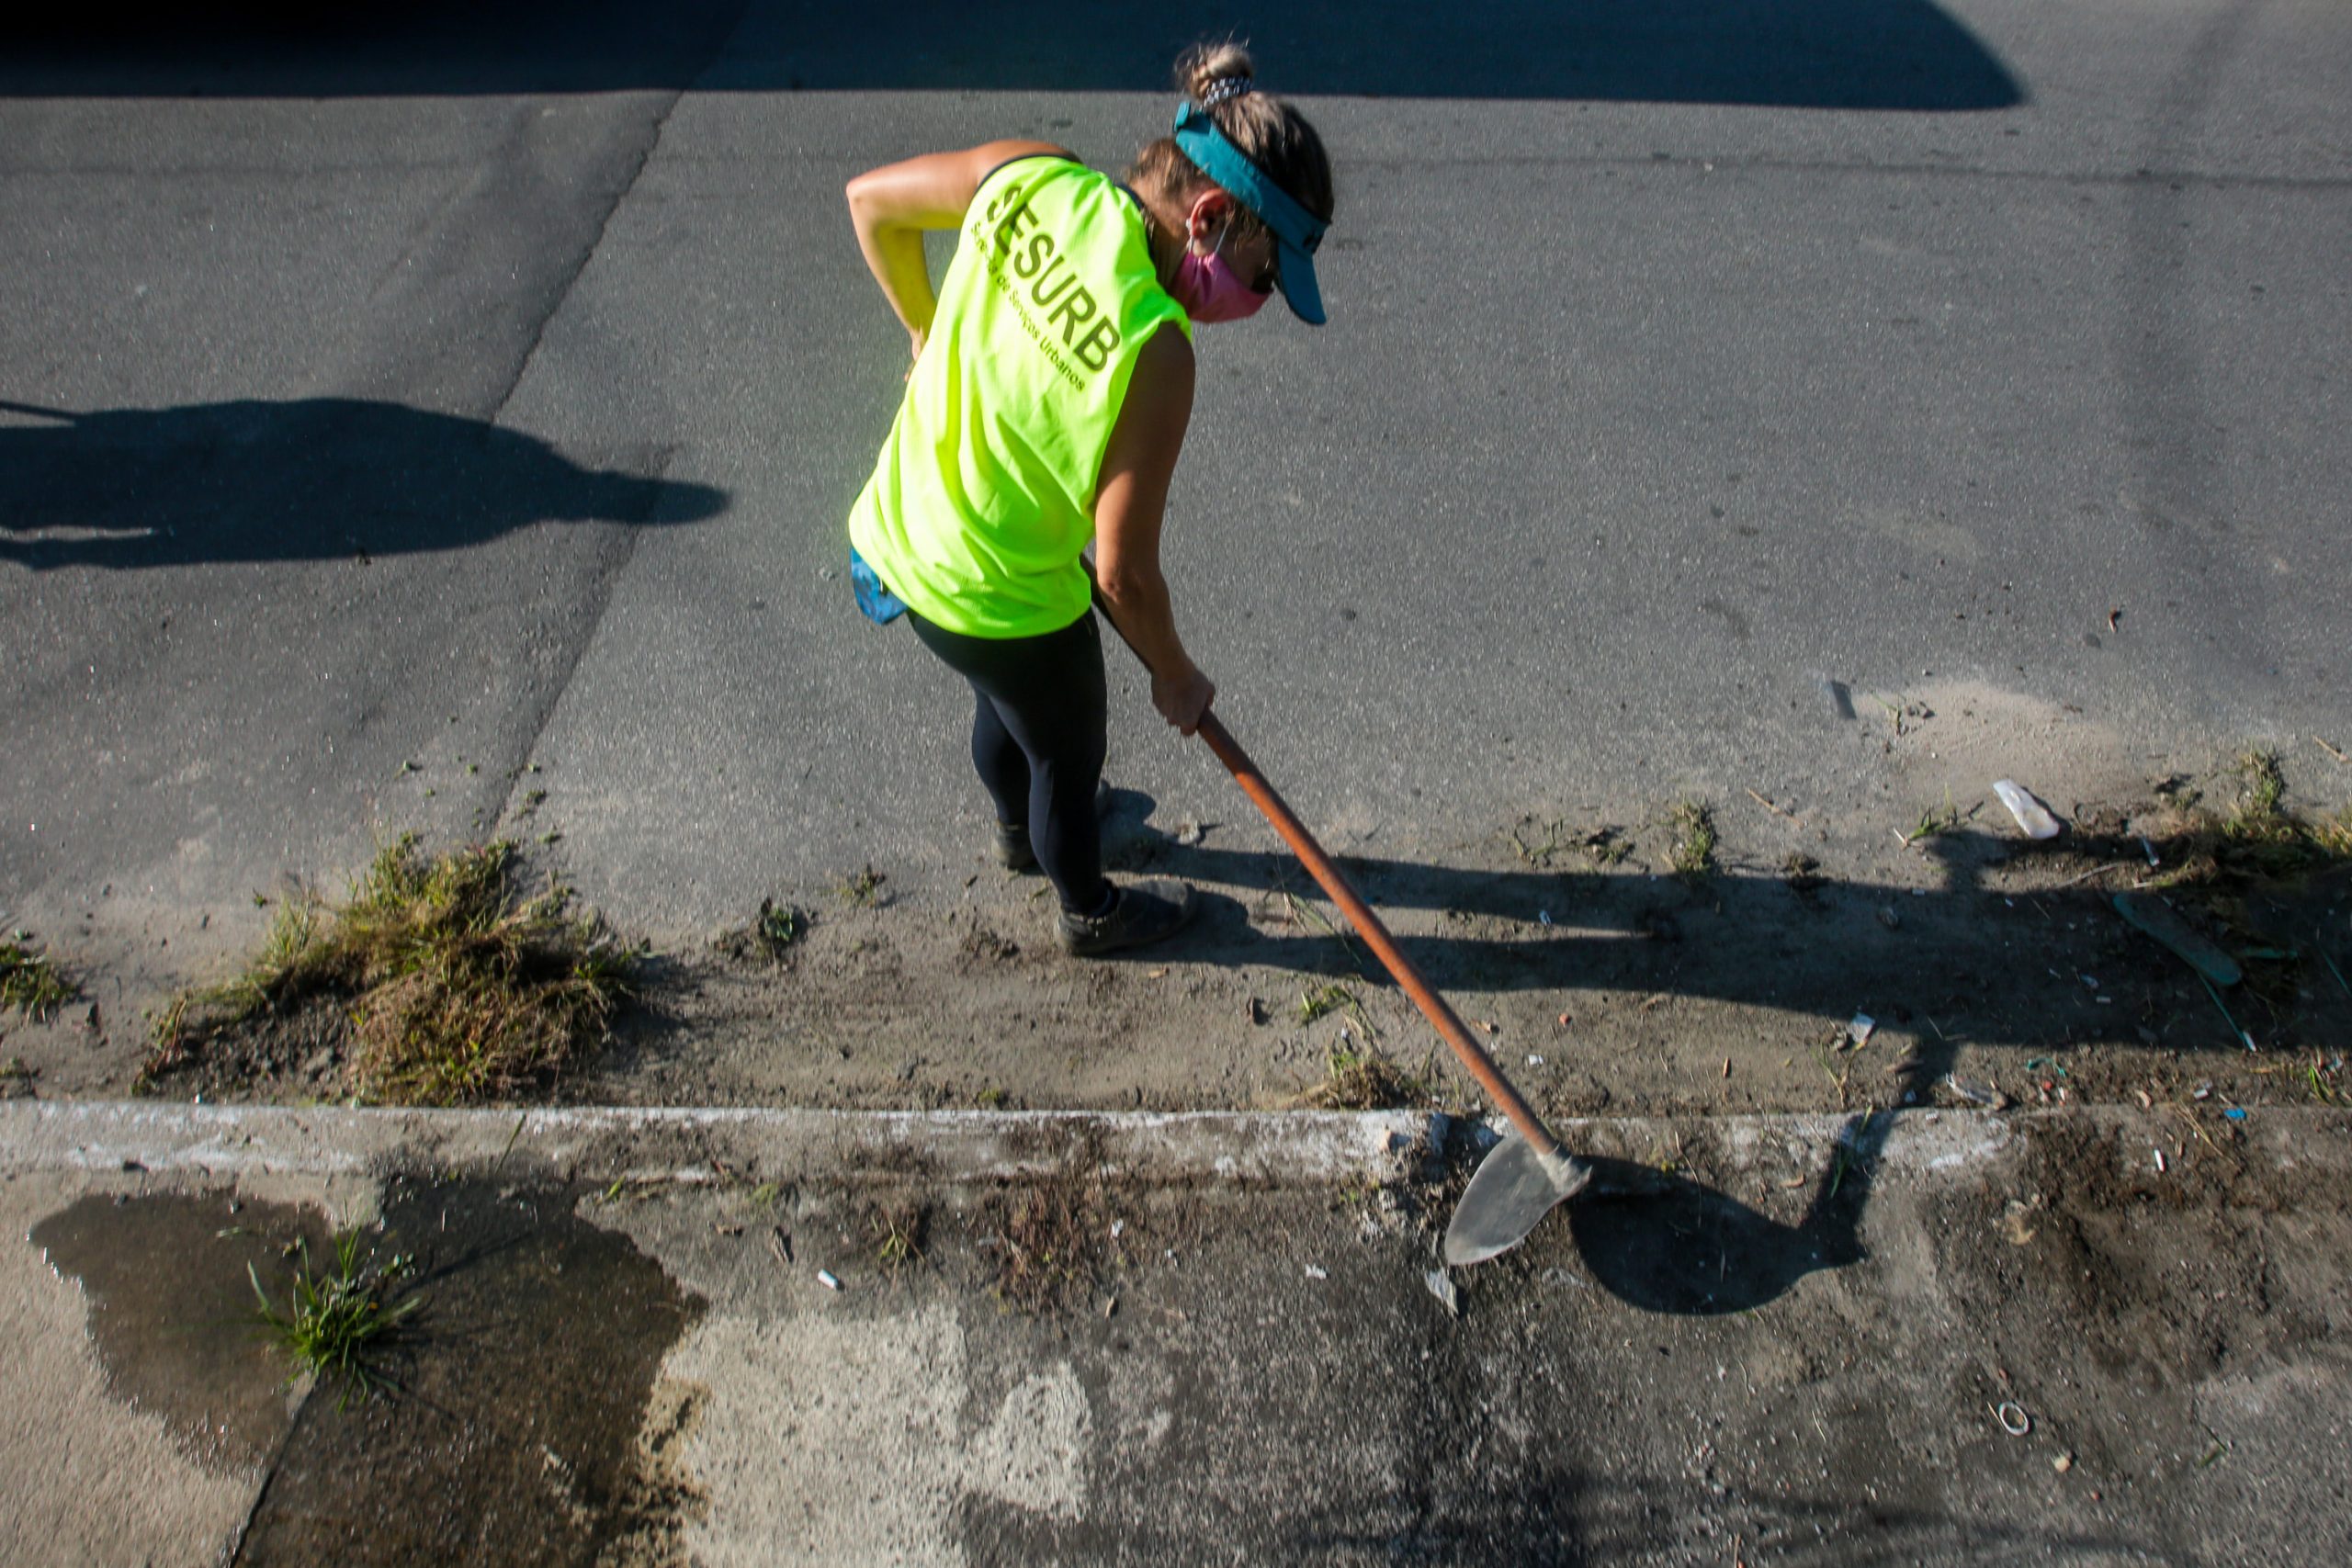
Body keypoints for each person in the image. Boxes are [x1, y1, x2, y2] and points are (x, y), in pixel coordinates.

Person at [843, 42, 1334, 956]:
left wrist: (922, 326)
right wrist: (1175, 676)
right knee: (1067, 757)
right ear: (1211, 219)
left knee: (1008, 703)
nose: (1260, 300)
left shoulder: (1035, 176)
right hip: (1004, 594)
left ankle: (1014, 832)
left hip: (903, 530)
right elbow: (1122, 576)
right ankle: (1087, 911)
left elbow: (871, 204)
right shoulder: (1156, 349)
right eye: (1264, 275)